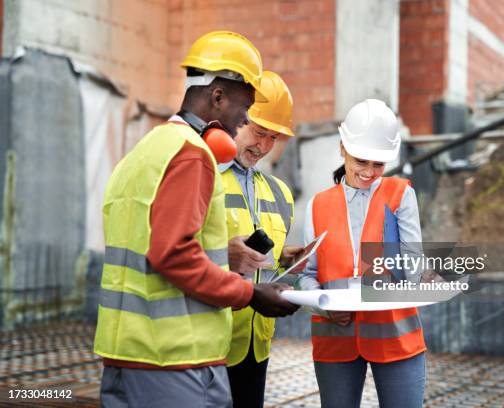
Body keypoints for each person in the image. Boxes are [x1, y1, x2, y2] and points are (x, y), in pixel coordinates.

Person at [93, 31, 299, 408]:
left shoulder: (144, 152)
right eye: (243, 113)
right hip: (175, 359)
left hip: (126, 353)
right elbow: (172, 255)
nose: (240, 126)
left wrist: (225, 254)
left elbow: (146, 245)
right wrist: (251, 293)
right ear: (217, 97)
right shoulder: (192, 154)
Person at [298, 99, 427, 408]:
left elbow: (414, 270)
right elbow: (307, 276)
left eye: (378, 164)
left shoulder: (400, 195)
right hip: (335, 338)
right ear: (343, 148)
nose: (369, 172)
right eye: (361, 161)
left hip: (396, 337)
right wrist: (324, 306)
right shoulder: (317, 205)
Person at [220, 70, 305, 408]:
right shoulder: (204, 175)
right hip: (210, 344)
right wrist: (222, 255)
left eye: (273, 137)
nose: (264, 146)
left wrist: (284, 257)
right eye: (258, 132)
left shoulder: (280, 193)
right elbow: (178, 252)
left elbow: (258, 254)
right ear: (238, 118)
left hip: (257, 343)